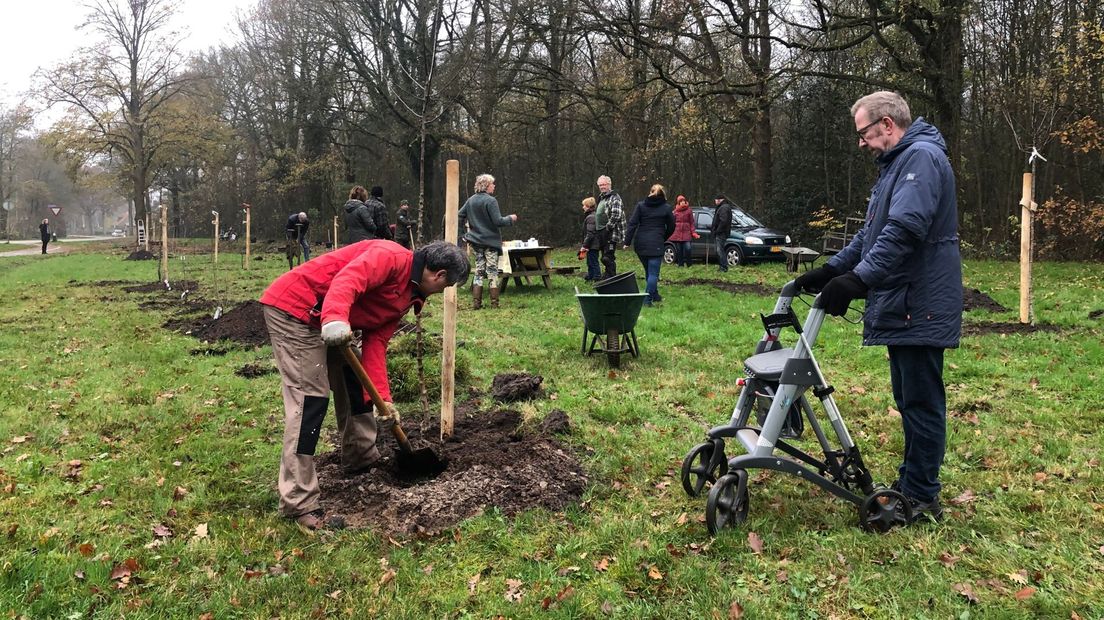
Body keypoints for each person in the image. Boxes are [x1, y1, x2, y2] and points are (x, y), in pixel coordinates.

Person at [793, 91, 962, 525]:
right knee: (910, 399)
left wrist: (858, 280)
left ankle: (923, 498)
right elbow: (871, 236)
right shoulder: (896, 167)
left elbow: (903, 233)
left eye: (864, 133)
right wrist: (831, 270)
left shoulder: (920, 159)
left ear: (888, 125)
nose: (862, 142)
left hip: (920, 300)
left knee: (921, 402)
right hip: (906, 299)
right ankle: (913, 484)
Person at [260, 240, 470, 531]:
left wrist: (384, 399)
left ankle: (360, 456)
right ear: (440, 275)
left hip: (330, 319)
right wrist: (334, 319)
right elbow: (348, 281)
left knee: (358, 383)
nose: (442, 292)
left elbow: (377, 342)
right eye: (447, 287)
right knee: (311, 400)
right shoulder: (390, 257)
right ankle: (299, 501)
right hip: (297, 310)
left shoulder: (409, 296)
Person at [458, 173, 517, 309]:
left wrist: (463, 234)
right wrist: (510, 218)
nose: (494, 186)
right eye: (492, 184)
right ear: (486, 186)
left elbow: (459, 215)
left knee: (479, 271)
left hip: (476, 242)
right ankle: (494, 303)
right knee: (492, 271)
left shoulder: (471, 200)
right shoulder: (490, 201)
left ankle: (476, 303)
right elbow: (498, 221)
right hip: (490, 242)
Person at [623, 184, 675, 306]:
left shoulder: (641, 206)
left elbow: (632, 224)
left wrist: (627, 241)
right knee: (653, 274)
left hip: (640, 243)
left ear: (650, 192)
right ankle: (647, 300)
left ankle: (655, 294)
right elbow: (672, 226)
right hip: (656, 243)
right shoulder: (666, 208)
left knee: (648, 271)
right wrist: (663, 237)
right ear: (663, 195)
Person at [594, 175, 625, 279]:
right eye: (600, 185)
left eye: (604, 184)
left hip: (610, 231)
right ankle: (607, 275)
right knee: (603, 255)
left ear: (609, 185)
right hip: (600, 231)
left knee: (608, 257)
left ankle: (611, 277)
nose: (602, 187)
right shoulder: (601, 197)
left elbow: (616, 214)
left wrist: (608, 227)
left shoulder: (614, 197)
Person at [668, 194, 698, 267]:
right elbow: (671, 221)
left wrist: (693, 232)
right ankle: (680, 265)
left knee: (688, 249)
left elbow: (692, 222)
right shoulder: (675, 211)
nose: (683, 202)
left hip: (686, 233)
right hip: (677, 234)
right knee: (679, 251)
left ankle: (689, 264)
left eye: (684, 201)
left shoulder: (689, 210)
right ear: (678, 203)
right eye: (681, 201)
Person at [578, 197, 602, 281]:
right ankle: (590, 277)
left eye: (584, 205)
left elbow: (590, 234)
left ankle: (597, 278)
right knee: (590, 262)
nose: (583, 207)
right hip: (592, 244)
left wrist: (584, 246)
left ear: (588, 206)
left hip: (592, 244)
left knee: (593, 262)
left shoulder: (591, 217)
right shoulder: (593, 216)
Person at [710, 194, 734, 272]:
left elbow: (723, 221)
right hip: (721, 232)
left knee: (719, 250)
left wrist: (717, 230)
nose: (715, 201)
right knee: (719, 250)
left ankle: (723, 267)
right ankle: (722, 266)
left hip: (721, 233)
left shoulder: (723, 208)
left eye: (716, 200)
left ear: (719, 200)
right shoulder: (723, 207)